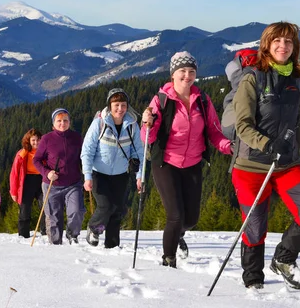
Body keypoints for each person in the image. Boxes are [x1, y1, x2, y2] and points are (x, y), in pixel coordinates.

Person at [231, 21, 300, 289]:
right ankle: (253, 282)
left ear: (295, 47)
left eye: (288, 41)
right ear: (267, 45)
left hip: (286, 164)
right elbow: (242, 126)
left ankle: (284, 258)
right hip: (251, 165)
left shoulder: (298, 81)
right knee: (255, 227)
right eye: (277, 41)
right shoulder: (253, 79)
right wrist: (268, 144)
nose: (283, 46)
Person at [141, 51, 233, 268]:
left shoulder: (202, 100)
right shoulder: (161, 100)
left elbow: (213, 130)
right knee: (175, 215)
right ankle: (168, 260)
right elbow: (147, 137)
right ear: (173, 74)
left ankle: (177, 234)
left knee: (190, 219)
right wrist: (148, 123)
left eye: (191, 71)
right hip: (166, 162)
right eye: (182, 71)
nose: (187, 76)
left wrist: (228, 146)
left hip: (192, 163)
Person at [81, 88, 145, 248]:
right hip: (98, 174)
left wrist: (140, 176)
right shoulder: (99, 123)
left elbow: (140, 152)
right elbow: (87, 151)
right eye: (116, 105)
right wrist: (87, 176)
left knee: (117, 210)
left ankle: (112, 245)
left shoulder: (132, 125)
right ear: (109, 106)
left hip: (120, 174)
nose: (120, 109)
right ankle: (94, 228)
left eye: (123, 105)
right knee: (106, 206)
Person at [33, 108, 86, 245]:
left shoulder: (76, 137)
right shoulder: (46, 139)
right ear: (53, 123)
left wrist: (88, 171)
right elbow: (36, 160)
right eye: (59, 121)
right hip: (52, 184)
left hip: (73, 183)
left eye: (65, 120)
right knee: (53, 217)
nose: (62, 123)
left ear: (69, 122)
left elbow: (84, 157)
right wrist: (47, 173)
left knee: (77, 211)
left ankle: (72, 234)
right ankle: (55, 245)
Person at [10, 128, 47, 238]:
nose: (36, 143)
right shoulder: (22, 154)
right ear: (29, 141)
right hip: (27, 182)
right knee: (25, 209)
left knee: (45, 206)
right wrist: (13, 191)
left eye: (38, 140)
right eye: (33, 140)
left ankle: (45, 232)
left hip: (42, 180)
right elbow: (14, 173)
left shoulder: (45, 152)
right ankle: (23, 235)